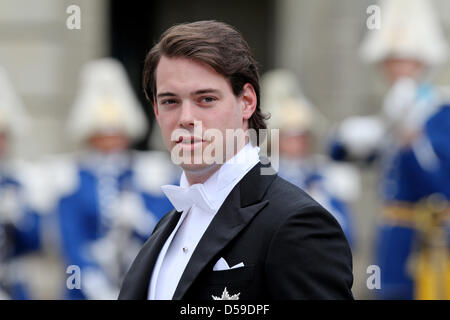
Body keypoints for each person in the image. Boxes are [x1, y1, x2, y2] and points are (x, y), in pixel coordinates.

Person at [119, 20, 353, 300]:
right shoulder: (165, 227)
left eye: (205, 99)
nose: (185, 119)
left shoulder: (297, 222)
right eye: (170, 101)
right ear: (156, 110)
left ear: (247, 102)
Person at [330, 0, 450, 299]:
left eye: (402, 60)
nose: (393, 69)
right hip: (390, 235)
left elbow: (440, 186)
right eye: (389, 60)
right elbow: (345, 154)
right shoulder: (392, 111)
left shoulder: (441, 112)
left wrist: (413, 140)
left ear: (423, 62)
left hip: (425, 239)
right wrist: (346, 140)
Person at [55, 58, 176, 299]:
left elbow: (168, 232)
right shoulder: (73, 177)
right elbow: (70, 238)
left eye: (116, 132)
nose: (110, 140)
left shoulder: (148, 174)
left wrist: (141, 220)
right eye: (102, 133)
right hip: (86, 288)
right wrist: (91, 280)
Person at [261, 69, 359, 247]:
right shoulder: (265, 173)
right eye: (290, 136)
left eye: (303, 135)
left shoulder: (324, 173)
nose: (298, 142)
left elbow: (347, 233)